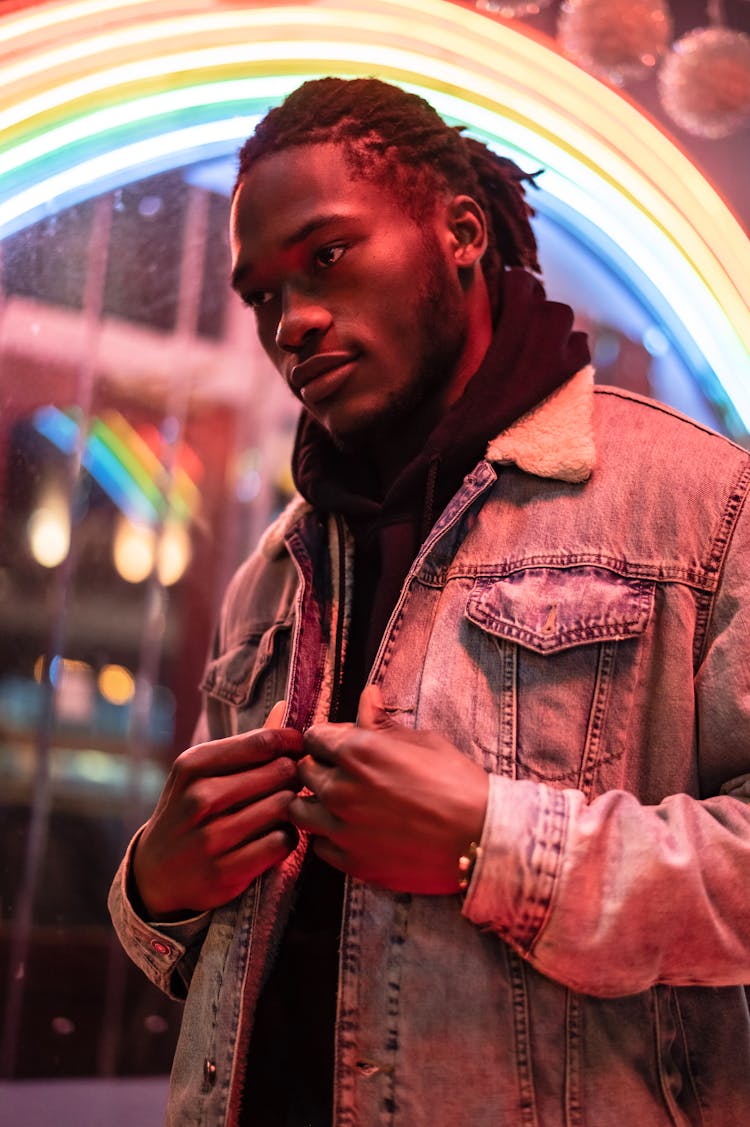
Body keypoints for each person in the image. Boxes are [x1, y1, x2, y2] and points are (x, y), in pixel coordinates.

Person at [109, 76, 750, 1127]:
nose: (293, 321)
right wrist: (152, 886)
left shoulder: (700, 505)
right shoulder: (274, 569)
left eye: (327, 255)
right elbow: (203, 945)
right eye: (262, 293)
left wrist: (492, 841)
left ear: (459, 230)